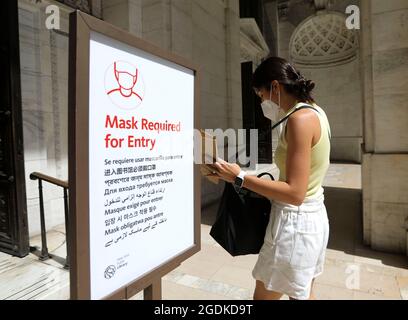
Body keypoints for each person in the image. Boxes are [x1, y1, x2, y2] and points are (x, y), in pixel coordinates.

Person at [208, 57, 331, 300]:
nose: (262, 102)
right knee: (305, 294)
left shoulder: (299, 120)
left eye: (260, 94)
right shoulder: (315, 112)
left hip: (294, 225)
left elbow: (295, 193)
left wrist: (240, 177)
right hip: (311, 219)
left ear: (275, 87)